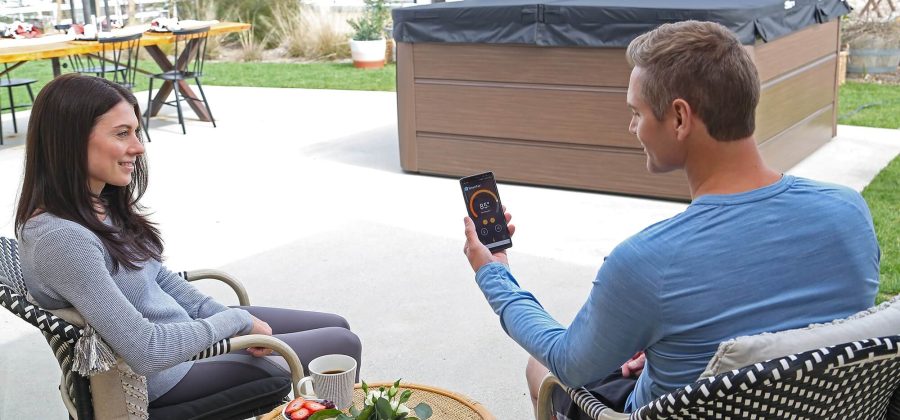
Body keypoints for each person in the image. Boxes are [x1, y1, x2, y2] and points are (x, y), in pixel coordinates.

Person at [461, 20, 880, 418]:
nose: (632, 127)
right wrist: (675, 346)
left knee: (540, 369)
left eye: (637, 113)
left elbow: (570, 364)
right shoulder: (848, 213)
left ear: (679, 118)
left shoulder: (648, 263)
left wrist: (494, 274)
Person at [15, 74, 362, 412]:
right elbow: (146, 351)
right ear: (72, 141)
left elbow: (159, 279)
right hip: (167, 373)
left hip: (186, 337)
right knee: (342, 343)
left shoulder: (94, 204)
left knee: (337, 324)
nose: (138, 146)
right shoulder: (61, 239)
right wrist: (234, 324)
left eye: (136, 131)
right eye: (123, 134)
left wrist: (218, 313)